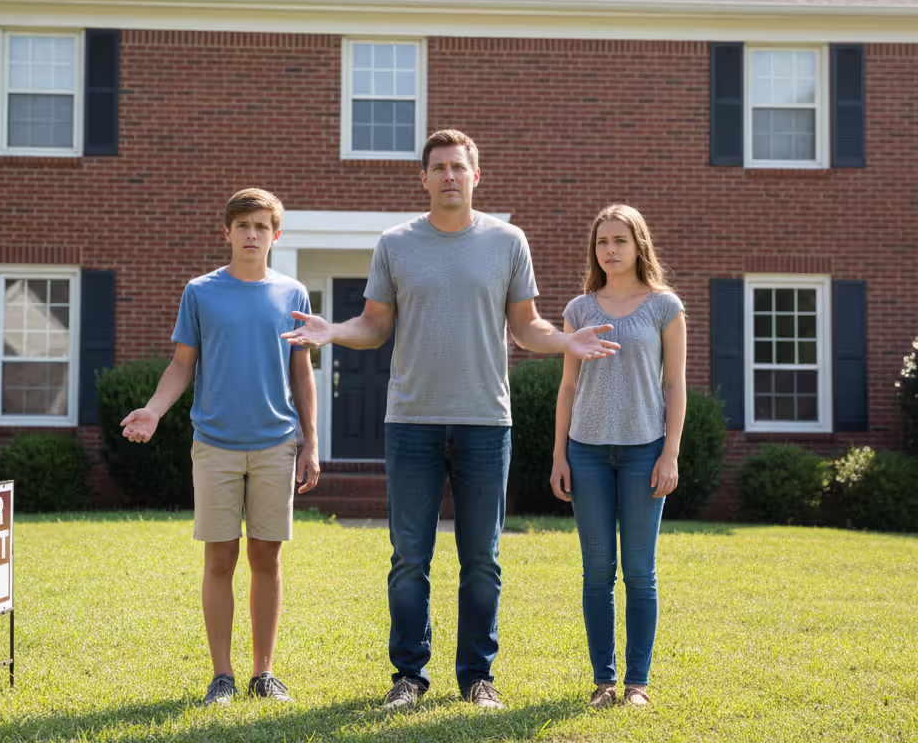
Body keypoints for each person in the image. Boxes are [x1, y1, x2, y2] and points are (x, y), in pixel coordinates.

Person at [282, 129, 619, 710]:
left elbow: (526, 325)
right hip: (410, 421)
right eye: (438, 168)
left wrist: (567, 339)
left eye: (458, 167)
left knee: (482, 557)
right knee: (409, 556)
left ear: (475, 176)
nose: (448, 176)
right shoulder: (396, 243)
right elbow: (374, 324)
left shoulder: (507, 241)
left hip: (485, 422)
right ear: (424, 178)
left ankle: (477, 678)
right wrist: (333, 331)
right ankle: (409, 677)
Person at [121, 188, 320, 707]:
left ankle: (264, 674)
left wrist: (310, 442)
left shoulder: (293, 294)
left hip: (277, 445)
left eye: (261, 226)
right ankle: (222, 677)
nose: (251, 234)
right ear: (226, 232)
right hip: (215, 446)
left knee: (267, 560)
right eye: (242, 226)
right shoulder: (201, 292)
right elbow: (182, 364)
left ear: (276, 235)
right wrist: (153, 409)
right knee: (218, 560)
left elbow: (302, 374)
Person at [549, 203, 686, 709]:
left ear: (638, 245)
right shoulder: (580, 309)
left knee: (639, 570)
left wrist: (670, 452)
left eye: (620, 241)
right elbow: (567, 387)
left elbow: (674, 383)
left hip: (644, 450)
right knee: (596, 570)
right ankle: (604, 682)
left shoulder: (664, 307)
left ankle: (637, 685)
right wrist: (559, 455)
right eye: (602, 242)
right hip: (586, 452)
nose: (610, 250)